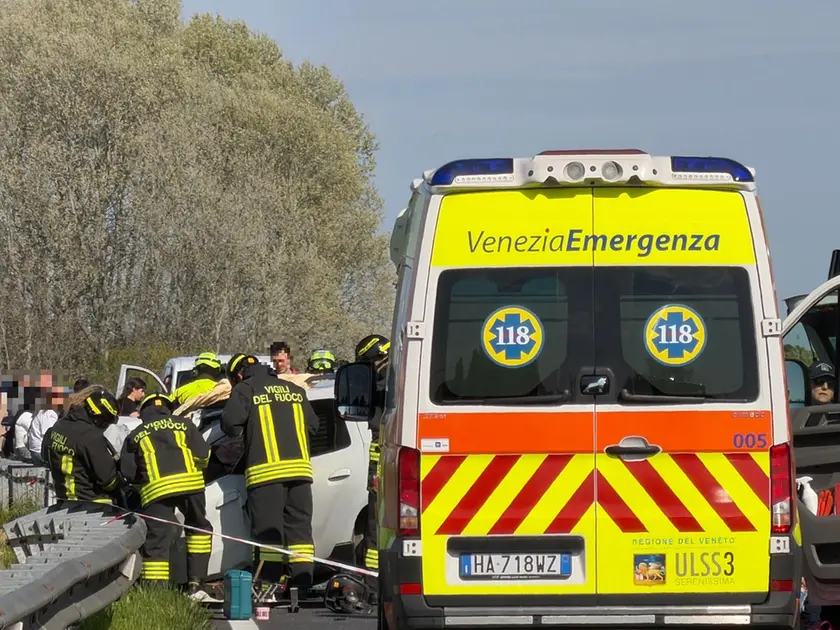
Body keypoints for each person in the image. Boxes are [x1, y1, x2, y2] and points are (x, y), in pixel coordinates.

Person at [221, 353, 319, 593]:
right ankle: (302, 584)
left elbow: (230, 425)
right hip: (300, 473)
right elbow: (314, 426)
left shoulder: (245, 389)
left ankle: (269, 586)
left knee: (268, 533)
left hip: (266, 474)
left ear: (239, 375)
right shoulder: (294, 390)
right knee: (300, 531)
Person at [119, 393, 212, 599]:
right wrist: (196, 470)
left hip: (156, 490)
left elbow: (127, 472)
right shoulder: (185, 425)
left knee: (157, 542)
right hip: (191, 485)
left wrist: (142, 481)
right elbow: (204, 455)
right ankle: (196, 585)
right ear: (169, 409)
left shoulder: (136, 434)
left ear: (143, 412)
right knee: (199, 528)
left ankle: (156, 594)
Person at [354, 334, 390, 596]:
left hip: (380, 465)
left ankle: (373, 586)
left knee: (375, 528)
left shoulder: (382, 380)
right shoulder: (402, 372)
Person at [41, 386, 121, 505]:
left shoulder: (59, 426)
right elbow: (109, 481)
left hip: (63, 502)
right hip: (91, 505)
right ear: (99, 418)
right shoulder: (90, 436)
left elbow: (44, 456)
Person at [28, 386, 67, 465]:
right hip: (40, 453)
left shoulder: (45, 411)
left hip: (36, 451)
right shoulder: (49, 414)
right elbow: (49, 436)